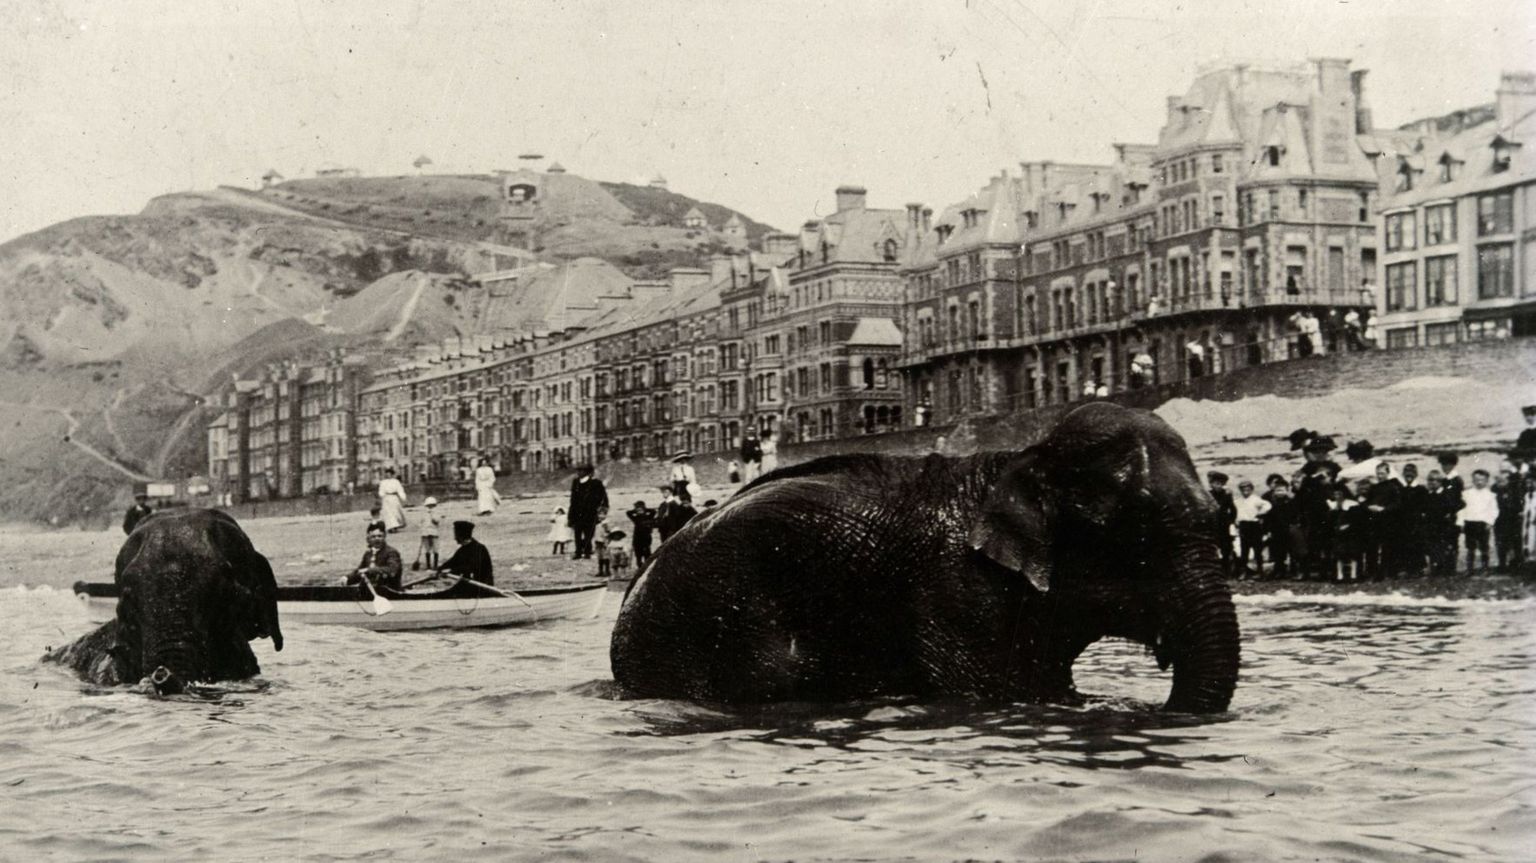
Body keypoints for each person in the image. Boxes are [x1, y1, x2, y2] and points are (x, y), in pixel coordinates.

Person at [1362, 461, 1403, 579]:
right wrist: (1369, 507)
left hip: (1388, 521)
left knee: (1387, 548)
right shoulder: (1374, 488)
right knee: (1372, 547)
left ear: (1388, 473)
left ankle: (1387, 572)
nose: (1380, 476)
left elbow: (1397, 504)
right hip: (1374, 521)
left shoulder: (1393, 487)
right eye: (1378, 473)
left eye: (1382, 473)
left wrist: (1383, 509)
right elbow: (1366, 501)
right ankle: (1372, 571)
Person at [1459, 469, 1498, 576]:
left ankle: (1485, 568)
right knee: (1470, 547)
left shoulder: (1491, 495)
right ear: (1472, 480)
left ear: (1486, 481)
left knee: (1484, 547)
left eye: (1482, 480)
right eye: (1476, 479)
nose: (1479, 482)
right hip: (1470, 523)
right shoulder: (1466, 494)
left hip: (1483, 524)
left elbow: (1494, 510)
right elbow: (1462, 509)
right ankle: (1469, 569)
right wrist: (1461, 522)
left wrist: (1490, 522)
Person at [1423, 471, 1462, 576]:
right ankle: (1435, 569)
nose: (1434, 482)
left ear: (1441, 482)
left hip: (1445, 526)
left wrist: (1450, 514)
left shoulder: (1447, 494)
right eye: (1431, 480)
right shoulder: (1428, 495)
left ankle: (1448, 570)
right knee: (1433, 547)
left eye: (1437, 480)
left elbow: (1460, 504)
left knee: (1446, 547)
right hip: (1432, 526)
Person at [567, 464, 608, 560]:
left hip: (590, 513)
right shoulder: (576, 482)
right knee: (577, 533)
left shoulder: (596, 483)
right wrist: (570, 516)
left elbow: (603, 498)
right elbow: (573, 500)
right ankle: (578, 552)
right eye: (578, 470)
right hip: (577, 513)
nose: (579, 473)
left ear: (588, 472)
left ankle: (587, 552)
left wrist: (602, 512)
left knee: (588, 534)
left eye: (582, 471)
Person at [346, 523, 403, 590]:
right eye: (373, 537)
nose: (377, 539)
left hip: (389, 591)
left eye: (379, 536)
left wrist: (369, 570)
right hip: (370, 592)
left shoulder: (391, 552)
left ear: (384, 537)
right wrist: (347, 578)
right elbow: (360, 571)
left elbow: (392, 571)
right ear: (368, 539)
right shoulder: (368, 554)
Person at [1233, 480, 1271, 576]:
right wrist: (1236, 521)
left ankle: (1260, 570)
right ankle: (1244, 571)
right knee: (1244, 549)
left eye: (1248, 490)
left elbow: (1268, 505)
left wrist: (1260, 513)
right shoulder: (1238, 501)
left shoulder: (1256, 499)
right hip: (1243, 525)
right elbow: (1235, 512)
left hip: (1254, 526)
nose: (1246, 492)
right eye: (1243, 490)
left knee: (1257, 549)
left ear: (1252, 490)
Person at [438, 520, 493, 585]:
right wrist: (439, 569)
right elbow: (452, 562)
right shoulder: (462, 549)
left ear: (461, 536)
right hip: (468, 583)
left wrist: (450, 571)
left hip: (480, 586)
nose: (455, 538)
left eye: (456, 535)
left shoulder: (479, 549)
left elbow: (470, 568)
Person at [1262, 475, 1296, 579]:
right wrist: (1267, 530)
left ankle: (1293, 570)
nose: (1279, 493)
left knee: (1291, 550)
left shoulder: (1291, 501)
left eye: (1282, 490)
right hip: (1275, 529)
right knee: (1277, 551)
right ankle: (1279, 570)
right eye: (1277, 490)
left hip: (1288, 528)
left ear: (1286, 490)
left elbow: (1294, 515)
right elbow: (1267, 518)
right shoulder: (1271, 503)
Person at [1493, 467, 1524, 572]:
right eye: (1499, 480)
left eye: (1504, 480)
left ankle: (1516, 564)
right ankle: (1502, 564)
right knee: (1500, 542)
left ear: (1509, 480)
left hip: (1513, 519)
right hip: (1499, 520)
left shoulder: (1514, 490)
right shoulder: (1495, 489)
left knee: (1515, 542)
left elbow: (1518, 504)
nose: (1501, 482)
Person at [1207, 472, 1237, 574]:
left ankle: (1226, 569)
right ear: (1211, 484)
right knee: (1214, 545)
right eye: (1216, 483)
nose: (1218, 486)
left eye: (1220, 484)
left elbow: (1233, 510)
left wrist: (1231, 522)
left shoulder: (1227, 495)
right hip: (1213, 523)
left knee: (1226, 547)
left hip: (1224, 524)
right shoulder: (1208, 495)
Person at [626, 499, 656, 568]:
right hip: (637, 539)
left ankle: (646, 567)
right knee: (638, 555)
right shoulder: (635, 518)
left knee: (647, 554)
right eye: (638, 510)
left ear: (644, 509)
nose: (640, 511)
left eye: (641, 510)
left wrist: (645, 509)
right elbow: (628, 513)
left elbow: (653, 511)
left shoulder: (649, 517)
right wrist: (635, 510)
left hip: (646, 538)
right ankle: (639, 567)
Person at [377, 468, 408, 533]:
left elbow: (400, 490)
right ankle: (390, 527)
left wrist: (403, 497)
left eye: (389, 474)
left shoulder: (396, 482)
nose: (388, 475)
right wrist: (381, 495)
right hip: (386, 499)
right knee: (388, 513)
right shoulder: (383, 482)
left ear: (392, 474)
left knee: (395, 512)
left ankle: (395, 526)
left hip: (394, 498)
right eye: (387, 474)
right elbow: (381, 490)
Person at [415, 497, 442, 571]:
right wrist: (421, 530)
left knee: (435, 549)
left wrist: (432, 515)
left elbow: (437, 521)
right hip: (425, 532)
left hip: (434, 532)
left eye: (432, 506)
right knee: (427, 549)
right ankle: (428, 565)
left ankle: (435, 565)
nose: (430, 508)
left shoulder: (437, 513)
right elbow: (420, 522)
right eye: (429, 506)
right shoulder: (423, 514)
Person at [593, 507, 614, 579]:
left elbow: (608, 532)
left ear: (606, 515)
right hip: (598, 541)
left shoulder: (605, 523)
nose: (601, 516)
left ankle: (607, 571)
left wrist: (607, 540)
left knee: (605, 556)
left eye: (603, 514)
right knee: (600, 557)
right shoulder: (598, 523)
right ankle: (601, 571)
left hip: (604, 541)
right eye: (599, 514)